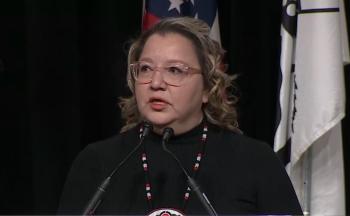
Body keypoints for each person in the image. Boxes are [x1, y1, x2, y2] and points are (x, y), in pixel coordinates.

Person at [58, 17, 303, 215]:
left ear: (208, 87)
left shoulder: (255, 162)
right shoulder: (98, 163)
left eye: (175, 70)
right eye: (145, 69)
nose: (155, 83)